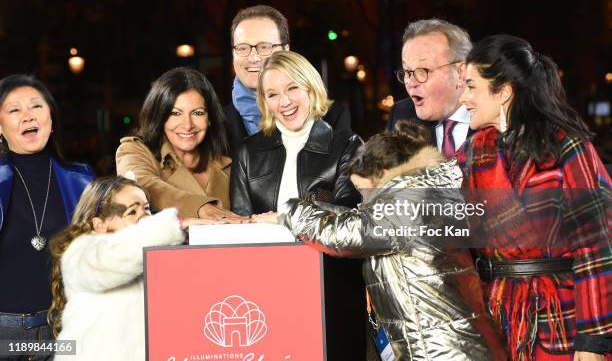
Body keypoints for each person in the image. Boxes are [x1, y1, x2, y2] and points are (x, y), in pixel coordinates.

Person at [253, 121, 506, 360]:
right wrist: (311, 209)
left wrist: (289, 212)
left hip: (442, 350)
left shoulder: (408, 205)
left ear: (383, 174)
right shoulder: (425, 192)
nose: (364, 202)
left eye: (366, 193)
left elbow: (345, 233)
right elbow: (361, 218)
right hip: (454, 345)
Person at [457, 34, 611, 360]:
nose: (464, 98)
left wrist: (593, 341)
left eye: (472, 86)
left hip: (560, 323)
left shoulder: (567, 147)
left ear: (503, 92)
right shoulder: (472, 153)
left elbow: (597, 248)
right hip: (497, 319)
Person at [230, 50, 364, 360]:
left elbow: (346, 221)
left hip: (330, 292)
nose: (284, 102)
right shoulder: (247, 153)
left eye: (292, 88)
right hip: (265, 291)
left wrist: (281, 219)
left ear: (310, 88)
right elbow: (240, 227)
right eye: (272, 94)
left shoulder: (347, 145)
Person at [48, 176, 211, 361]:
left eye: (147, 208)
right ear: (100, 225)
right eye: (132, 212)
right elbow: (116, 258)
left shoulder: (151, 254)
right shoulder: (81, 253)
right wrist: (176, 225)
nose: (145, 218)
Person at [0, 74, 94, 359]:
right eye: (14, 109)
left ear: (51, 118)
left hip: (61, 330)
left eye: (36, 106)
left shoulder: (82, 180)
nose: (27, 116)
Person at [116, 67, 242, 221]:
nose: (187, 125)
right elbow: (142, 187)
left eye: (197, 113)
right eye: (175, 113)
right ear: (160, 116)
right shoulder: (134, 150)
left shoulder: (230, 163)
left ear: (209, 118)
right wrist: (201, 207)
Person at [224, 4, 350, 151]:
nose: (253, 57)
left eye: (264, 47)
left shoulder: (334, 117)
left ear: (286, 50)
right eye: (243, 48)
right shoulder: (215, 125)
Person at [387, 18, 473, 157]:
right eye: (407, 72)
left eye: (423, 70)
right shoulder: (402, 116)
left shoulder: (496, 117)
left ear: (461, 72)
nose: (410, 82)